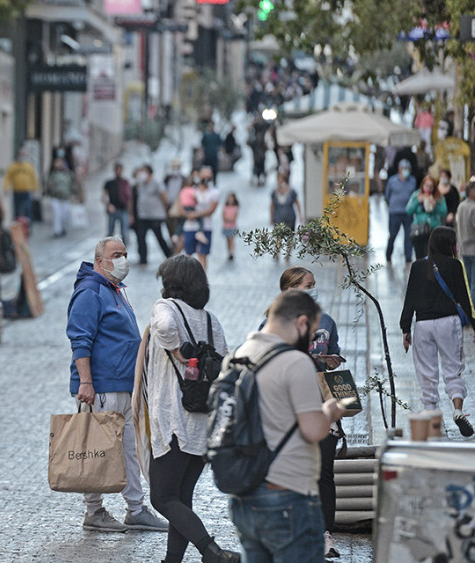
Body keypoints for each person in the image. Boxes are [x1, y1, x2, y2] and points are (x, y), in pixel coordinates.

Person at [229, 290, 346, 562]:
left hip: (246, 496)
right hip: (286, 496)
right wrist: (330, 410)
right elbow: (313, 430)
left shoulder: (241, 353)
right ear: (301, 322)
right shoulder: (296, 363)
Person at [67, 237, 168, 533]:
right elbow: (79, 340)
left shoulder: (114, 289)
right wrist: (86, 381)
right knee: (98, 449)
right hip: (101, 387)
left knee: (127, 450)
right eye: (116, 254)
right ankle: (94, 510)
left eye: (124, 253)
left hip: (123, 385)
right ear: (100, 261)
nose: (123, 259)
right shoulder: (89, 291)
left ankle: (135, 509)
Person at [145, 255, 240, 563]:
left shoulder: (166, 307)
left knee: (162, 497)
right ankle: (172, 561)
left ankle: (211, 551)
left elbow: (164, 325)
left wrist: (176, 349)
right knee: (181, 497)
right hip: (203, 422)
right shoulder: (211, 320)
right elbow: (225, 364)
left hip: (174, 419)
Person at [277, 267, 343, 558]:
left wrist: (330, 360)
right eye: (308, 285)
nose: (313, 289)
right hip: (289, 407)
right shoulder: (275, 322)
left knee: (324, 473)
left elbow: (335, 355)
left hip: (322, 404)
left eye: (314, 284)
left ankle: (325, 534)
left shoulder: (326, 320)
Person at [400, 226, 475, 438]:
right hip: (448, 323)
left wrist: (406, 328)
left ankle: (434, 423)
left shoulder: (417, 266)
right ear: (449, 245)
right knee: (453, 369)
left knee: (427, 374)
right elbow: (464, 299)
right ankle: (458, 410)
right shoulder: (455, 265)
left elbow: (409, 300)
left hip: (423, 325)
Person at [131, 164, 173, 265]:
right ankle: (143, 258)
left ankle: (170, 256)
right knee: (140, 237)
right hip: (143, 215)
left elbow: (165, 198)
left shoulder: (157, 182)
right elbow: (133, 177)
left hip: (155, 216)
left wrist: (164, 210)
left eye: (144, 172)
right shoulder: (140, 183)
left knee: (159, 237)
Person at [180, 166, 221, 269]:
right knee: (188, 254)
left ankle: (201, 279)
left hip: (206, 226)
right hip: (189, 226)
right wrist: (187, 214)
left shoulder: (214, 192)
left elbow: (211, 209)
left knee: (202, 254)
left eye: (209, 175)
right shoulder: (190, 190)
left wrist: (196, 214)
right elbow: (180, 205)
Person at [384, 159, 418, 264]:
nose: (405, 171)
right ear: (399, 169)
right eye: (403, 168)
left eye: (407, 169)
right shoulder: (392, 181)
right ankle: (388, 255)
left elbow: (414, 196)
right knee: (393, 235)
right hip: (395, 212)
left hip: (408, 213)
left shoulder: (412, 181)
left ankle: (408, 257)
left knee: (409, 236)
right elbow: (387, 196)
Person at [406, 175, 447, 259]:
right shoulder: (417, 195)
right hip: (419, 230)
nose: (428, 189)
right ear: (423, 186)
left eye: (431, 187)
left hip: (433, 230)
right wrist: (417, 201)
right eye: (426, 186)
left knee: (433, 256)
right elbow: (408, 210)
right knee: (420, 256)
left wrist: (435, 206)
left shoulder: (438, 197)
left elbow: (444, 212)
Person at [4, 148, 40, 223]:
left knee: (27, 209)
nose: (22, 156)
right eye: (21, 154)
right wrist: (6, 188)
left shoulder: (29, 166)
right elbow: (8, 177)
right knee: (16, 210)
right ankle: (17, 226)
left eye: (23, 154)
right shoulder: (13, 166)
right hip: (16, 191)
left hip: (26, 191)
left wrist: (35, 189)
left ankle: (28, 226)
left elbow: (33, 178)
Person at [46, 156, 77, 238]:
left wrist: (74, 194)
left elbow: (73, 184)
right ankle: (57, 231)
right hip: (55, 197)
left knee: (64, 214)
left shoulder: (68, 174)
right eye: (57, 163)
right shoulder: (53, 174)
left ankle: (63, 228)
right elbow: (48, 184)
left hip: (65, 197)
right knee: (57, 214)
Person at [103, 162, 132, 244]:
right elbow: (104, 197)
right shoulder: (109, 183)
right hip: (113, 209)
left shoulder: (125, 183)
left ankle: (124, 249)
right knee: (110, 231)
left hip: (123, 209)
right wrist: (108, 205)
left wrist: (130, 213)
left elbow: (129, 198)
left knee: (124, 232)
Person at [455, 182, 475, 302]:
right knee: (474, 284)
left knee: (468, 281)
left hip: (464, 248)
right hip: (473, 249)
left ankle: (467, 306)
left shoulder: (461, 206)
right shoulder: (473, 207)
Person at [222, 193, 239, 262]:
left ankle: (231, 252)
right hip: (226, 226)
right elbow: (223, 216)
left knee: (232, 239)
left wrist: (228, 219)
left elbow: (234, 218)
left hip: (232, 226)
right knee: (227, 240)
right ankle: (229, 251)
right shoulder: (225, 207)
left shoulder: (235, 208)